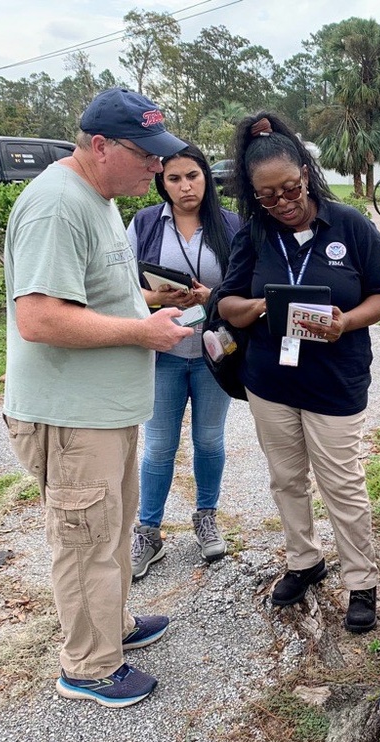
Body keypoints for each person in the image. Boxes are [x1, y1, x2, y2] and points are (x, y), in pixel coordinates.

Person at [2, 87, 192, 708]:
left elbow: (93, 291)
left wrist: (152, 302)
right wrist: (143, 331)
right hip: (71, 415)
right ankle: (87, 666)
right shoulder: (57, 205)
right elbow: (39, 318)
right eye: (146, 156)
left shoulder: (100, 196)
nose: (157, 169)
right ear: (101, 145)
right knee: (85, 542)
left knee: (110, 531)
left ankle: (112, 628)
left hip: (104, 413)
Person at [215, 112, 380, 634]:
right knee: (287, 480)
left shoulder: (350, 226)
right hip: (270, 382)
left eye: (290, 188)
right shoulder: (253, 235)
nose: (283, 203)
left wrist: (347, 322)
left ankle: (360, 581)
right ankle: (305, 561)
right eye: (268, 197)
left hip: (334, 381)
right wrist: (259, 309)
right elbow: (225, 301)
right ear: (253, 197)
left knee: (342, 484)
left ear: (305, 172)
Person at [126, 143, 241, 578]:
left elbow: (245, 287)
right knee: (158, 446)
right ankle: (149, 532)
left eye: (192, 175)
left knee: (209, 440)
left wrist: (212, 296)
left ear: (206, 177)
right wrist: (160, 297)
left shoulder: (230, 225)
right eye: (173, 178)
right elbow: (120, 290)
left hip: (214, 351)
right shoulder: (145, 224)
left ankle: (205, 517)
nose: (184, 186)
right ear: (162, 182)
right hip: (164, 352)